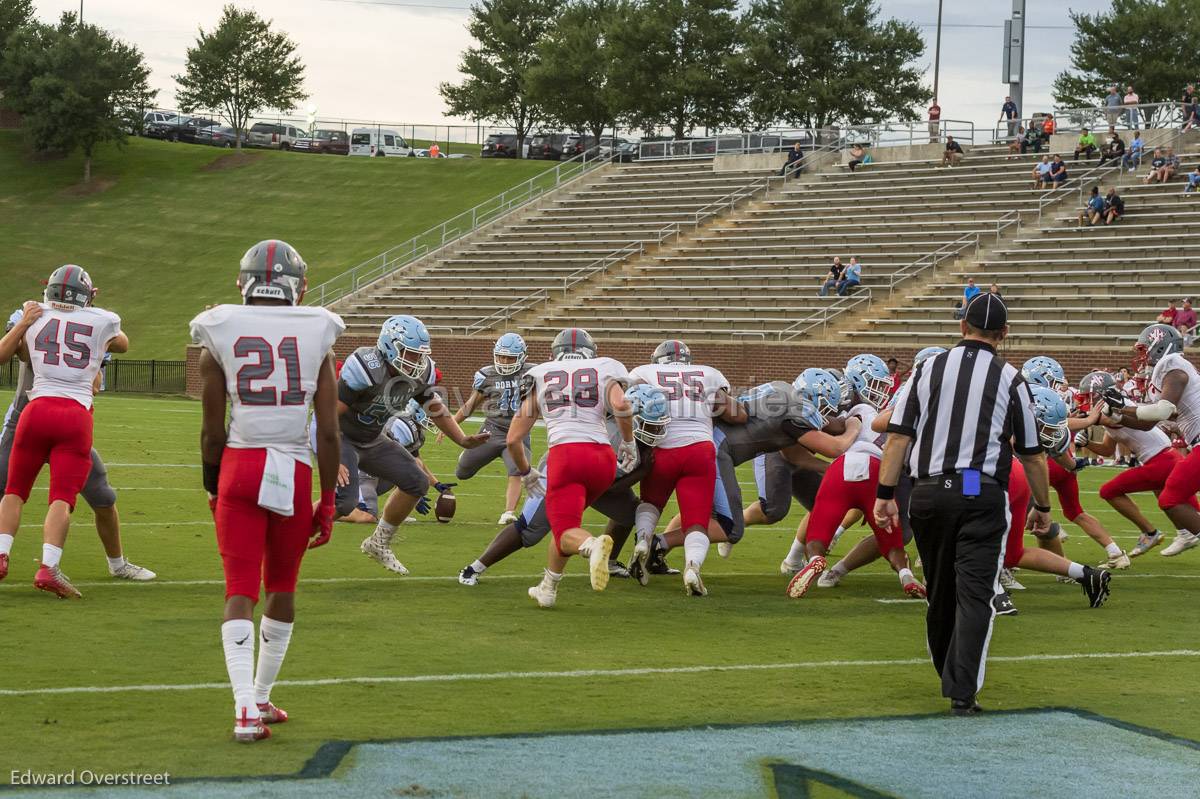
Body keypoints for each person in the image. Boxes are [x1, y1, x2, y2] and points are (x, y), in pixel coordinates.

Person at [190, 239, 344, 743]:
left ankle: (244, 709)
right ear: (298, 286)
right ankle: (257, 695)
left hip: (239, 461)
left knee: (239, 590)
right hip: (293, 469)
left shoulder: (218, 328)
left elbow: (212, 431)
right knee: (282, 585)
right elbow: (328, 432)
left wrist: (215, 486)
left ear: (244, 281)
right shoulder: (318, 331)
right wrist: (329, 499)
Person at [873, 293, 1055, 716]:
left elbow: (898, 436)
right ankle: (962, 692)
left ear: (962, 328)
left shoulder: (928, 367)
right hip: (980, 491)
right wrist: (1043, 506)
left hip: (929, 491)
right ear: (1004, 334)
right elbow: (1031, 452)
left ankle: (948, 674)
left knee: (940, 593)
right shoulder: (1011, 377)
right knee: (975, 596)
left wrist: (885, 495)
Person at [0, 266, 129, 599]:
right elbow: (120, 347)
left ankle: (3, 554)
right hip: (68, 416)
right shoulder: (101, 321)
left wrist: (30, 322)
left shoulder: (33, 313)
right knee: (59, 497)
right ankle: (49, 567)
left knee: (15, 490)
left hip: (34, 411)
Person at [459, 385, 669, 587]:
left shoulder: (634, 439)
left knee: (630, 514)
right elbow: (607, 485)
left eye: (659, 425)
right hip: (562, 473)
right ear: (630, 419)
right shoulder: (613, 438)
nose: (657, 431)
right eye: (651, 426)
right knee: (529, 530)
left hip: (599, 479)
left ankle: (609, 562)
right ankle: (474, 568)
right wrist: (642, 472)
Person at [0, 312, 154, 582]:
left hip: (62, 427)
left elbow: (95, 385)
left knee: (103, 497)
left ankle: (117, 564)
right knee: (6, 488)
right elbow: (12, 353)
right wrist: (24, 324)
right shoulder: (34, 315)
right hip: (25, 423)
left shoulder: (90, 325)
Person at [339, 315, 490, 575]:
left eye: (419, 356)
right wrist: (336, 455)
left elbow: (435, 408)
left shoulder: (420, 374)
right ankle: (288, 537)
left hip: (372, 437)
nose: (415, 362)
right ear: (389, 346)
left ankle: (379, 543)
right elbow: (329, 412)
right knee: (344, 503)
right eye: (409, 354)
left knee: (416, 482)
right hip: (339, 434)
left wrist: (462, 439)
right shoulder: (366, 365)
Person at [508, 327, 637, 608]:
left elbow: (513, 438)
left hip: (566, 457)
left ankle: (591, 546)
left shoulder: (541, 373)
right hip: (602, 459)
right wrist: (628, 442)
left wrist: (526, 470)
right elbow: (621, 405)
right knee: (565, 525)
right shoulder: (605, 367)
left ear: (555, 353)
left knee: (567, 532)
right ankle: (548, 588)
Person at [785, 355, 925, 600]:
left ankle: (816, 559)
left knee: (818, 532)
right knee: (892, 539)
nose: (882, 390)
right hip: (878, 471)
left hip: (844, 468)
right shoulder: (875, 411)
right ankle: (905, 574)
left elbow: (832, 426)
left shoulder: (859, 409)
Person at [627, 340, 745, 596]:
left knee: (651, 503)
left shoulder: (643, 372)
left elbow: (630, 403)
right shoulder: (708, 373)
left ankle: (644, 540)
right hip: (699, 451)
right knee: (696, 522)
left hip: (662, 448)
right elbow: (737, 414)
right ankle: (692, 568)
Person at [1076, 371, 1198, 558]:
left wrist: (1074, 420)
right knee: (1183, 508)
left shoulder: (1116, 408)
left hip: (1161, 460)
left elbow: (1105, 419)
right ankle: (1184, 533)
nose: (1083, 400)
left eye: (1086, 396)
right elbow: (1108, 449)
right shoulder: (1116, 409)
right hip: (1166, 458)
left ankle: (1150, 533)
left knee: (1108, 491)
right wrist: (1086, 443)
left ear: (1099, 394)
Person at [1105, 323, 1200, 557]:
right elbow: (1147, 423)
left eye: (1145, 348)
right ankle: (1187, 534)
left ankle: (1188, 534)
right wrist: (1119, 415)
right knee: (1170, 496)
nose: (1142, 355)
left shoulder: (1173, 366)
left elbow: (1160, 411)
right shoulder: (1167, 370)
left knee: (1170, 498)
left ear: (1160, 345)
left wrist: (1122, 408)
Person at [438, 332, 532, 524]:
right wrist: (450, 425)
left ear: (522, 356)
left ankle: (508, 513)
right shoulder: (487, 375)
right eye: (501, 356)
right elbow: (470, 406)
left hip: (518, 433)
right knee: (462, 473)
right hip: (491, 431)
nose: (505, 361)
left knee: (517, 472)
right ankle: (466, 456)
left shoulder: (532, 373)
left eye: (510, 357)